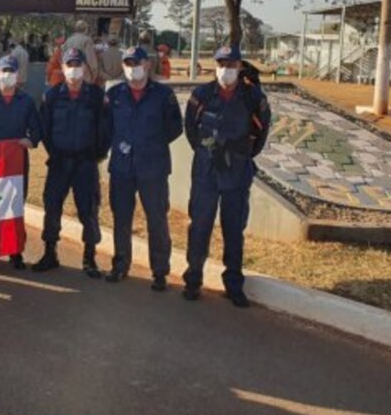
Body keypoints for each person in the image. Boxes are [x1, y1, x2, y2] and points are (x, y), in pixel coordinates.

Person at [182, 44, 271, 308]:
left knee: (234, 230)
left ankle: (233, 284)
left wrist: (240, 154)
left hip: (237, 172)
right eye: (221, 65)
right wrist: (209, 152)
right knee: (199, 226)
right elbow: (191, 129)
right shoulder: (202, 94)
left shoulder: (253, 97)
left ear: (240, 67)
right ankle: (193, 279)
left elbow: (261, 133)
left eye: (231, 65)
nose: (226, 70)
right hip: (206, 172)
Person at [104, 46, 183, 287]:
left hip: (153, 168)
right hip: (122, 168)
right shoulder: (115, 94)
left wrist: (150, 145)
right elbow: (106, 127)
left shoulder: (163, 95)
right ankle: (120, 265)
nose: (132, 68)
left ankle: (159, 271)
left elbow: (175, 127)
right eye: (127, 64)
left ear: (147, 65)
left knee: (157, 219)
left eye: (136, 63)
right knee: (121, 219)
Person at [34, 48, 108, 277]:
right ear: (62, 68)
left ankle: (89, 258)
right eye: (69, 65)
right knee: (52, 207)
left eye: (78, 64)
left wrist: (96, 155)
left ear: (85, 68)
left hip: (86, 162)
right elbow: (44, 129)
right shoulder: (52, 96)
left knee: (88, 210)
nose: (74, 69)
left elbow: (105, 130)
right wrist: (55, 152)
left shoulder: (97, 96)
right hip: (59, 161)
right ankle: (50, 253)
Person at [0, 54, 42, 269]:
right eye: (4, 71)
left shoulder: (27, 101)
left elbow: (37, 129)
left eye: (11, 71)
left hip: (16, 163)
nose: (7, 75)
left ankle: (15, 252)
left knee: (14, 207)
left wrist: (31, 140)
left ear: (18, 75)